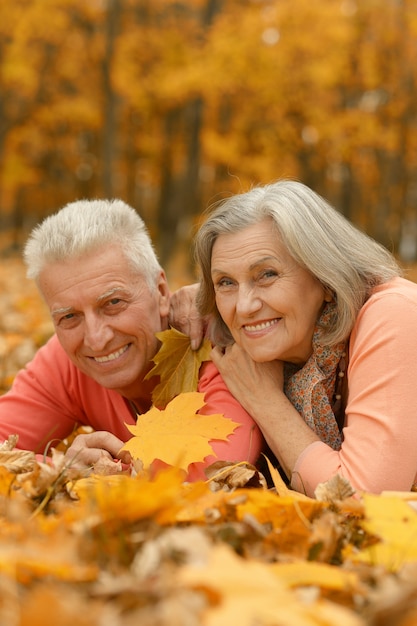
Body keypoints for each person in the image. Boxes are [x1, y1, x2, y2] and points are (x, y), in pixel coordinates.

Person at [0, 199, 263, 479]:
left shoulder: (215, 344)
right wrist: (62, 468)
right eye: (69, 317)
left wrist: (97, 475)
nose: (96, 338)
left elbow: (215, 474)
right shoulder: (65, 362)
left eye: (113, 302)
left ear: (161, 292)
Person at [194, 179, 417, 496]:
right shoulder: (248, 345)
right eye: (226, 282)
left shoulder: (394, 314)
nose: (243, 307)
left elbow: (365, 497)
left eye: (267, 274)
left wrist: (267, 402)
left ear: (326, 278)